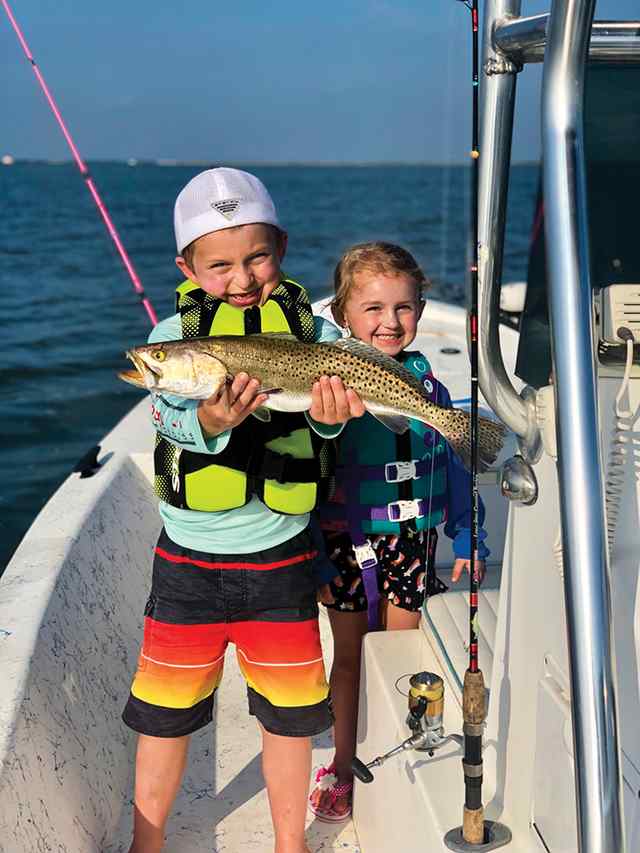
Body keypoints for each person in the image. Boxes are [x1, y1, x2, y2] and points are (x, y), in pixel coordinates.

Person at [122, 167, 365, 853]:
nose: (242, 277)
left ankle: (290, 842)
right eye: (220, 263)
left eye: (256, 257)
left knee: (291, 718)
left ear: (281, 250)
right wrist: (206, 419)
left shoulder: (313, 331)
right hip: (187, 563)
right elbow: (168, 422)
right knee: (164, 714)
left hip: (282, 555)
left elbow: (323, 428)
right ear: (187, 267)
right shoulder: (174, 337)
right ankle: (148, 839)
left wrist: (330, 419)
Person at [308, 242, 489, 822]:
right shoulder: (325, 379)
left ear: (420, 308)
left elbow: (450, 466)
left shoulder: (427, 387)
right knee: (351, 656)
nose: (391, 322)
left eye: (404, 308)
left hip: (410, 540)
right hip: (342, 537)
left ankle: (393, 756)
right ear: (342, 315)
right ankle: (340, 762)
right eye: (374, 309)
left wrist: (467, 537)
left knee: (402, 649)